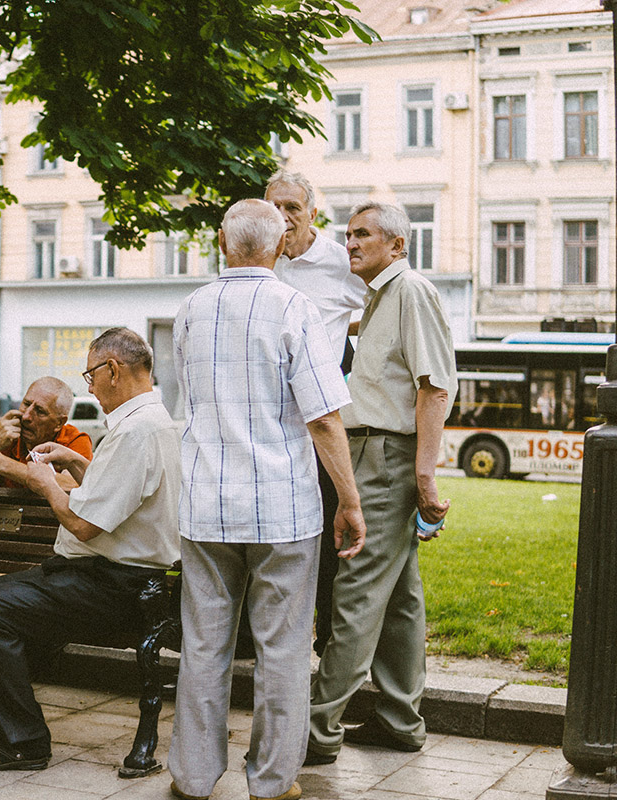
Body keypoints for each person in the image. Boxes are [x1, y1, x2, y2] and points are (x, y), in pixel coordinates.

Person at [167, 199, 366, 800]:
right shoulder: (294, 308)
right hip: (282, 506)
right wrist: (350, 502)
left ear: (222, 242)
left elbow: (191, 407)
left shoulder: (191, 309)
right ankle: (273, 780)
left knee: (203, 644)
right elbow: (325, 418)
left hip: (205, 503)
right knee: (282, 649)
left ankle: (195, 777)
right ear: (281, 245)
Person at [0, 327, 180, 772]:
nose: (89, 385)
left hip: (119, 586)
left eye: (91, 374)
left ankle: (23, 741)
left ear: (113, 369)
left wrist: (36, 479)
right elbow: (124, 492)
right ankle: (16, 729)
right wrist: (76, 462)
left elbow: (83, 523)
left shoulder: (136, 431)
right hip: (121, 578)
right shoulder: (153, 422)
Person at [306, 202, 457, 766]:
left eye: (363, 234)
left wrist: (425, 477)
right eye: (347, 235)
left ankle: (317, 729)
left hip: (387, 456)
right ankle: (400, 720)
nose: (350, 243)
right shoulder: (378, 298)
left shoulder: (410, 291)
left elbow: (435, 387)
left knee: (356, 589)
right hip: (372, 449)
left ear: (398, 245)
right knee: (398, 596)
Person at [265, 170, 367, 656]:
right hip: (267, 427)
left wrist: (342, 346)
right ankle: (266, 638)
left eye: (293, 208)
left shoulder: (337, 262)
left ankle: (327, 644)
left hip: (318, 424)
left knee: (329, 536)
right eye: (274, 208)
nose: (283, 218)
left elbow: (381, 306)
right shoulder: (260, 260)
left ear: (312, 214)